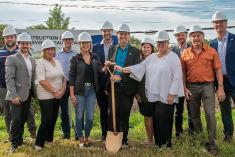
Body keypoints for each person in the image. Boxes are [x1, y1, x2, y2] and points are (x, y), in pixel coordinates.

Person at [117, 31, 184, 147]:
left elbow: (177, 76)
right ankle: (159, 144)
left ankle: (167, 144)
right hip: (154, 95)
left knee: (165, 119)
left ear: (168, 43)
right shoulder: (153, 57)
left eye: (163, 42)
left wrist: (172, 93)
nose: (160, 45)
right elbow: (140, 67)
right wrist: (123, 69)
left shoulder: (173, 57)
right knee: (158, 119)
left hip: (167, 95)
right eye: (158, 43)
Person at [181, 25, 225, 155]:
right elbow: (182, 72)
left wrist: (220, 88)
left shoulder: (211, 51)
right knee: (194, 115)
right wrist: (184, 87)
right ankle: (199, 138)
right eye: (193, 35)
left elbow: (218, 70)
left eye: (198, 35)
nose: (196, 38)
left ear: (203, 37)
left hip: (208, 86)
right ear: (190, 38)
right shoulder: (185, 53)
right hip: (191, 87)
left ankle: (212, 142)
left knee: (210, 114)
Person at [104, 23, 140, 146]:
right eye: (120, 34)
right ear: (117, 36)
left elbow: (135, 70)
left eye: (125, 34)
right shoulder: (112, 48)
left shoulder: (135, 51)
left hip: (127, 86)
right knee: (112, 113)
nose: (122, 36)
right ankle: (112, 136)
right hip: (113, 87)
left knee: (124, 113)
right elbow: (109, 67)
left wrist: (121, 77)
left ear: (129, 36)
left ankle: (123, 139)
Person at [0, 26, 36, 141]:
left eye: (11, 36)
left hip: (22, 89)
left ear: (15, 38)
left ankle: (33, 133)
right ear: (4, 39)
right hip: (4, 88)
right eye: (7, 37)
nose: (9, 39)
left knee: (29, 112)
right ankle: (12, 137)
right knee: (8, 114)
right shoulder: (0, 52)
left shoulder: (23, 52)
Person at [69, 32, 103, 147]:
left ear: (90, 44)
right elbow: (71, 77)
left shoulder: (95, 57)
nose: (85, 45)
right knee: (78, 116)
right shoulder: (75, 58)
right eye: (83, 43)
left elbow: (100, 71)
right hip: (79, 92)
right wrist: (72, 95)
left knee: (89, 117)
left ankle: (87, 137)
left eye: (87, 42)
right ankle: (81, 139)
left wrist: (106, 67)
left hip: (91, 91)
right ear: (79, 44)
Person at [35, 39, 66, 151]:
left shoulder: (57, 62)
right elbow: (42, 81)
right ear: (43, 51)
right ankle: (39, 143)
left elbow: (63, 77)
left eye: (52, 49)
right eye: (47, 49)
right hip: (45, 96)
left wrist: (62, 90)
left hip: (57, 95)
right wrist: (55, 91)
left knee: (53, 118)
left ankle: (49, 139)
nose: (50, 51)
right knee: (46, 119)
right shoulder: (40, 63)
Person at [210, 11, 235, 142]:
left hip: (234, 80)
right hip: (220, 82)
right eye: (216, 22)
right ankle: (228, 137)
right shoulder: (212, 43)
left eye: (221, 22)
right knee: (225, 112)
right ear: (213, 25)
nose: (218, 24)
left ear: (226, 23)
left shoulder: (234, 39)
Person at [92, 21, 117, 142]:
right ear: (101, 31)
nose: (107, 33)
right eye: (104, 30)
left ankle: (113, 131)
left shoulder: (117, 46)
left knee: (114, 109)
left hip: (114, 83)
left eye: (109, 30)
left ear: (112, 32)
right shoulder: (95, 47)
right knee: (103, 109)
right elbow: (94, 66)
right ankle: (104, 133)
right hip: (101, 83)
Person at [172, 25, 193, 137]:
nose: (180, 36)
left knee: (191, 109)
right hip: (177, 83)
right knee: (178, 110)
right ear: (175, 37)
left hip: (191, 82)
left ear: (186, 35)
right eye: (178, 35)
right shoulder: (173, 50)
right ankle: (179, 133)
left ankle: (192, 132)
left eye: (182, 34)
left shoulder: (192, 47)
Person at [56, 31, 77, 139]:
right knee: (63, 111)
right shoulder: (57, 55)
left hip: (75, 85)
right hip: (61, 85)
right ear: (62, 41)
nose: (68, 41)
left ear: (72, 41)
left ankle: (78, 134)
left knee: (78, 109)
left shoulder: (77, 54)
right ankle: (66, 133)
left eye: (70, 39)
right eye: (66, 39)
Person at [136, 37, 154, 145]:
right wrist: (136, 94)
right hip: (142, 94)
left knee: (157, 117)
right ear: (141, 48)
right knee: (147, 117)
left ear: (152, 48)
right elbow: (133, 79)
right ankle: (149, 140)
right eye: (144, 47)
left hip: (156, 94)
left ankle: (159, 139)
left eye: (148, 47)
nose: (146, 49)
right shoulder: (137, 61)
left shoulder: (157, 59)